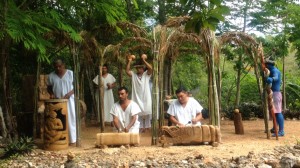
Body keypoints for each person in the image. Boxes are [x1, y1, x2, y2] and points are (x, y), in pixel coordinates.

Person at [47, 58, 76, 145]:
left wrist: (69, 94)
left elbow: (76, 87)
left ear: (64, 65)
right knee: (59, 120)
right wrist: (51, 94)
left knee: (71, 119)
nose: (58, 68)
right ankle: (60, 139)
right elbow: (49, 87)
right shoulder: (51, 76)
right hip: (57, 101)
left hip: (69, 100)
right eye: (56, 67)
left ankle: (72, 140)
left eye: (60, 66)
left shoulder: (70, 73)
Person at [126, 54, 152, 132]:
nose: (138, 69)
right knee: (137, 111)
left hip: (146, 95)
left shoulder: (146, 74)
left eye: (140, 68)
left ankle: (147, 127)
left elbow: (151, 68)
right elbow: (127, 71)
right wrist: (129, 61)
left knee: (147, 110)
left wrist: (144, 60)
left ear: (143, 68)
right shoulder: (134, 75)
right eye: (137, 68)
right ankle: (139, 127)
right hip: (136, 96)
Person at [265, 57, 285, 137]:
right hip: (274, 93)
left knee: (278, 112)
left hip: (276, 94)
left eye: (266, 64)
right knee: (274, 112)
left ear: (269, 65)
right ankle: (274, 128)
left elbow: (276, 78)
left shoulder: (274, 71)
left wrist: (271, 79)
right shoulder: (272, 70)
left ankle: (281, 131)